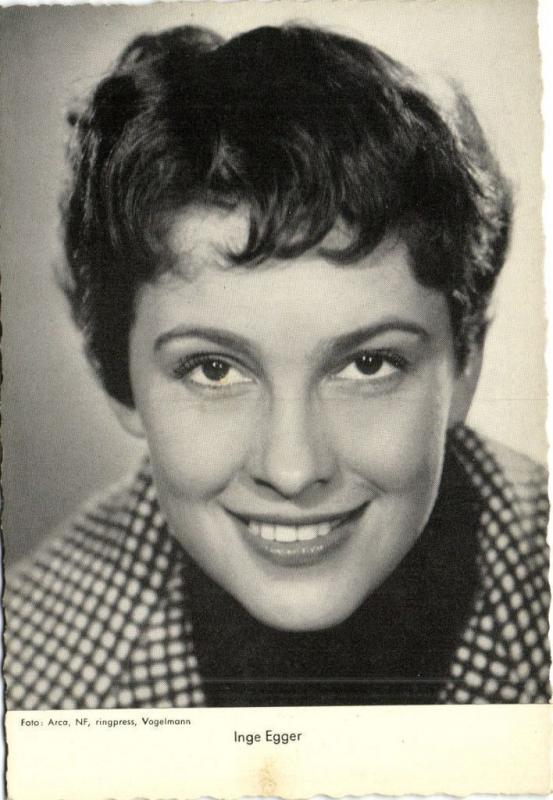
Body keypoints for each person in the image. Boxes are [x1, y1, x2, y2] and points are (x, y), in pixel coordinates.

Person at [4, 23, 549, 710]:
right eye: (213, 370)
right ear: (121, 381)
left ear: (465, 362)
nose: (292, 471)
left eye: (369, 364)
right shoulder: (26, 681)